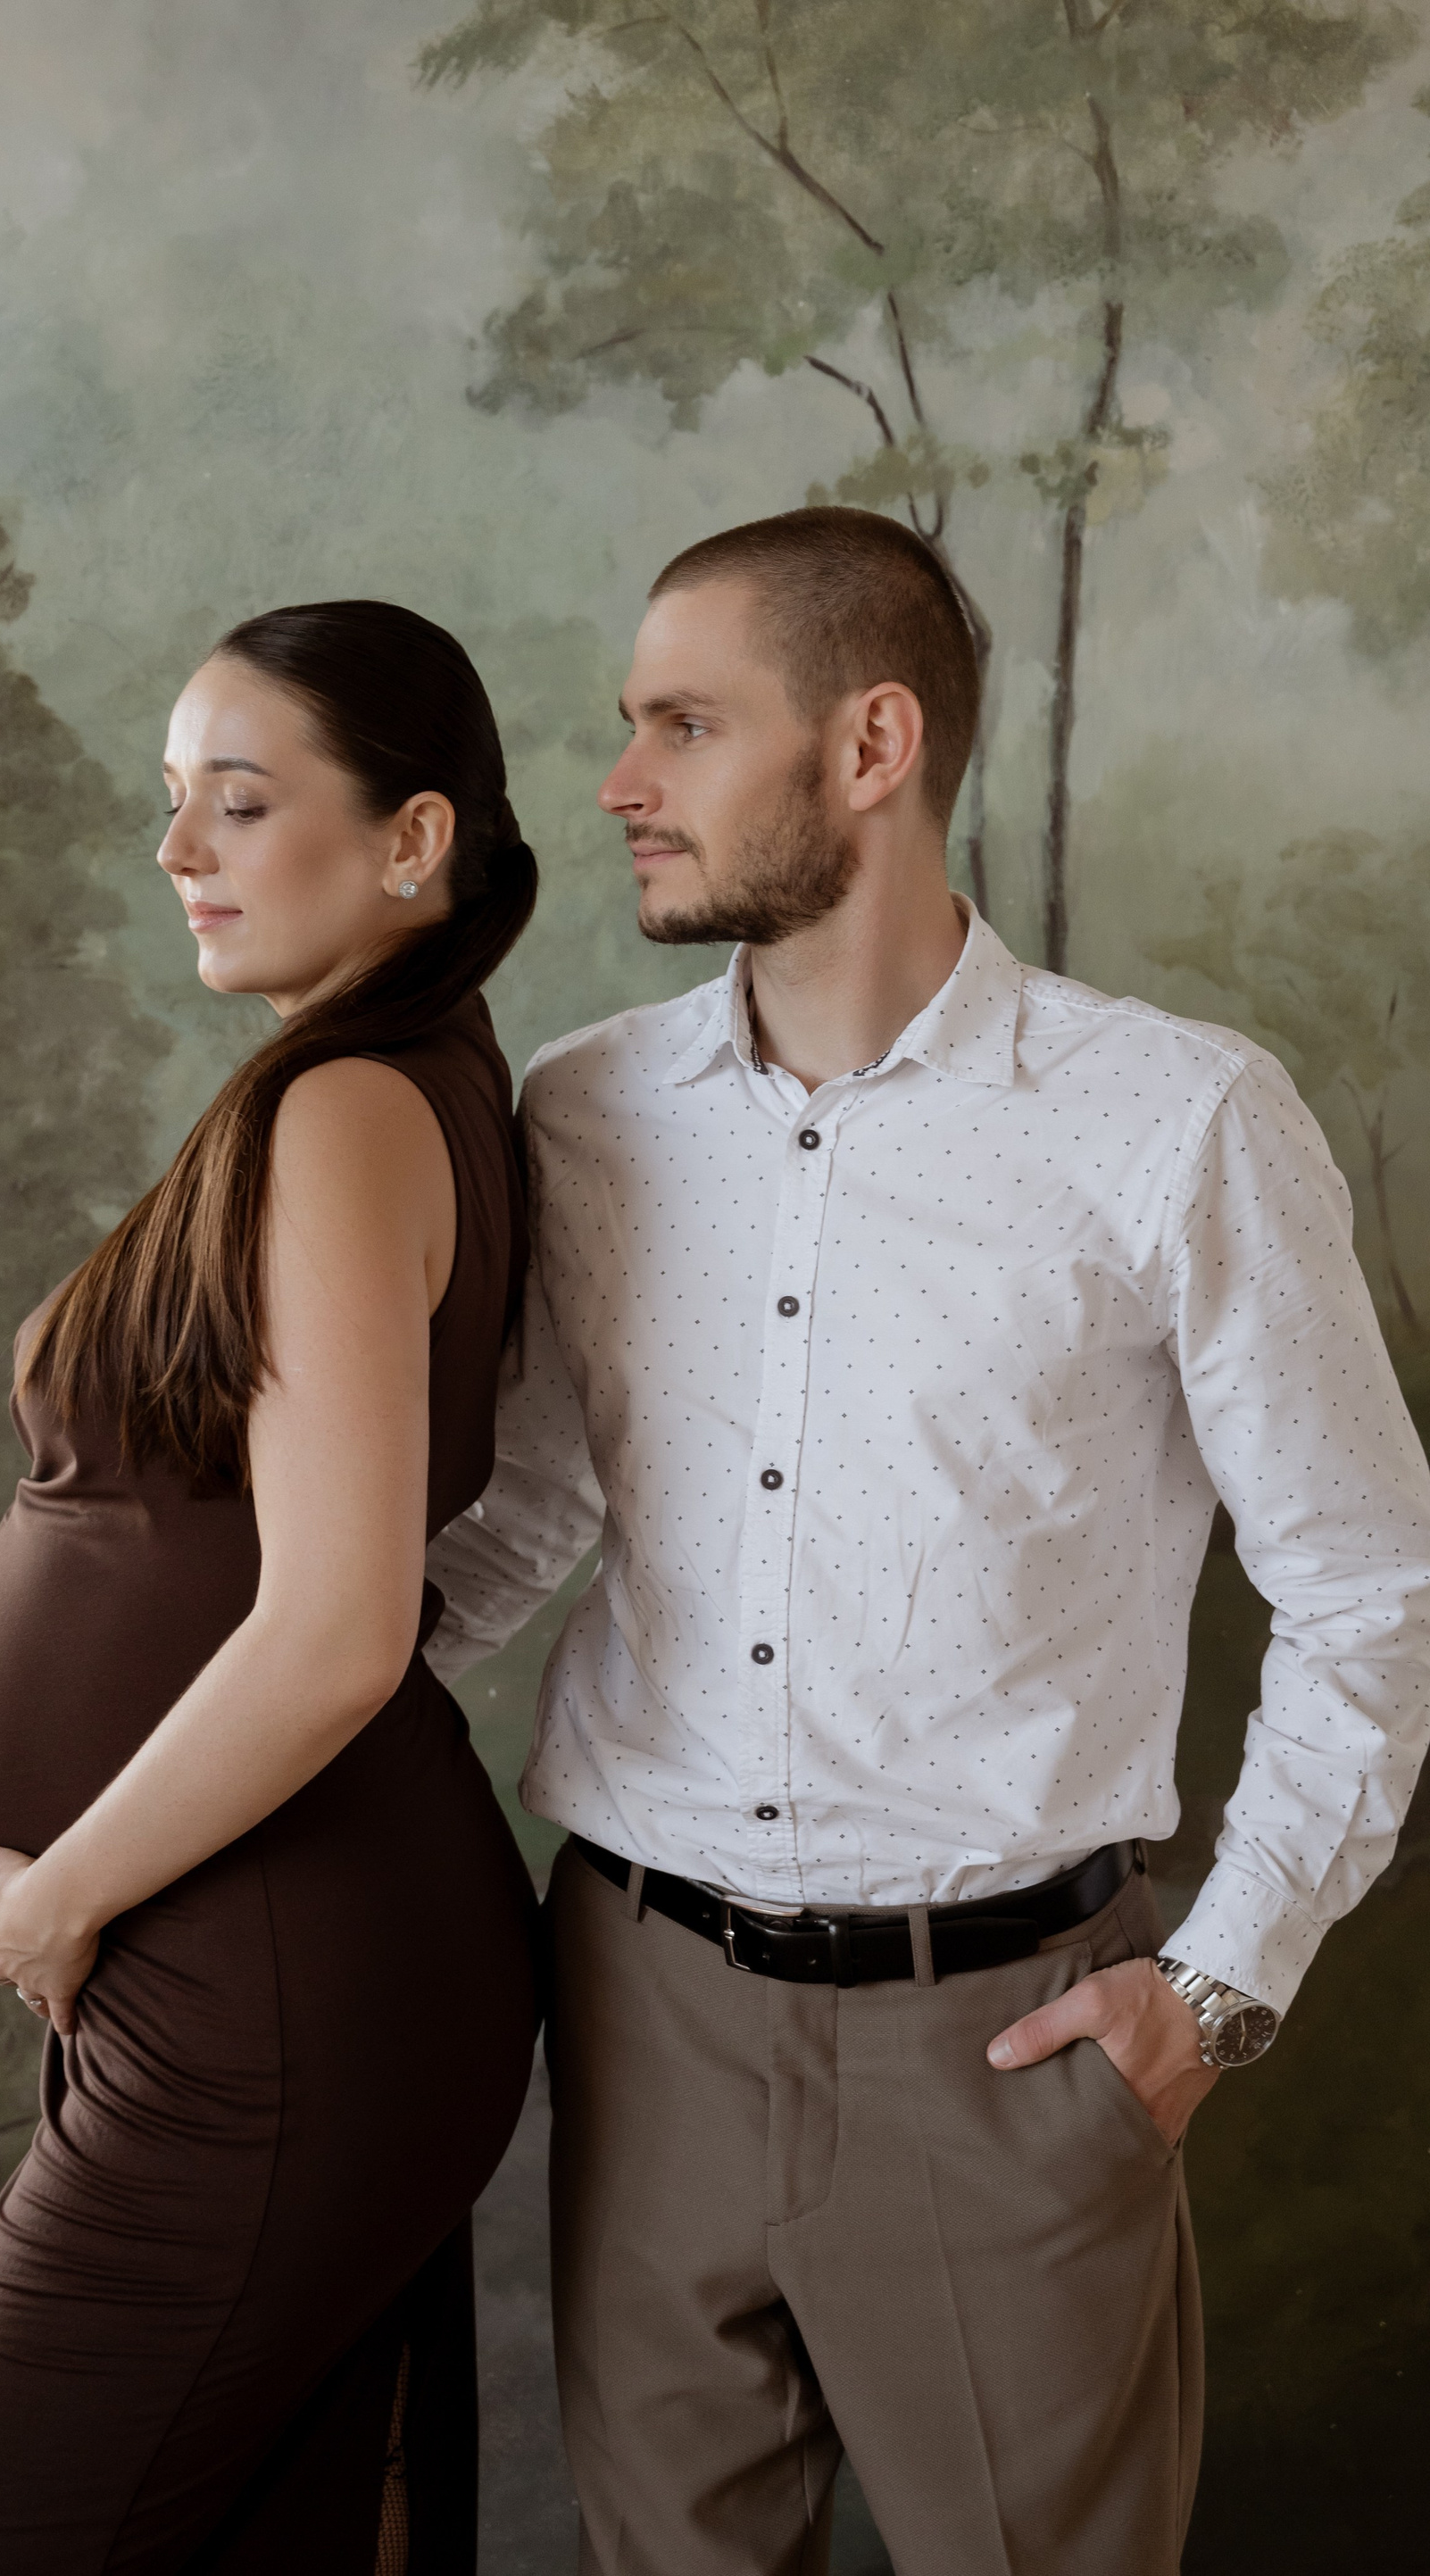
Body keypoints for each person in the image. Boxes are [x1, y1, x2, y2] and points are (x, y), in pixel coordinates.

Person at [424, 506, 1430, 2576]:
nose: (620, 783)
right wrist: (210, 1774)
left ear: (871, 745)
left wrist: (1220, 1990)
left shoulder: (1179, 1120)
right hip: (637, 2011)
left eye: (685, 726)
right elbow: (520, 1522)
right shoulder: (583, 1115)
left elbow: (1370, 1592)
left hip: (1011, 2049)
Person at [0, 602, 542, 2574]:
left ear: (413, 839)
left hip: (274, 1999)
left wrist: (61, 1892)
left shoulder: (352, 1107)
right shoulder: (367, 1083)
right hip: (262, 1960)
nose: (177, 852)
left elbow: (337, 1629)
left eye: (237, 803)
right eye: (173, 802)